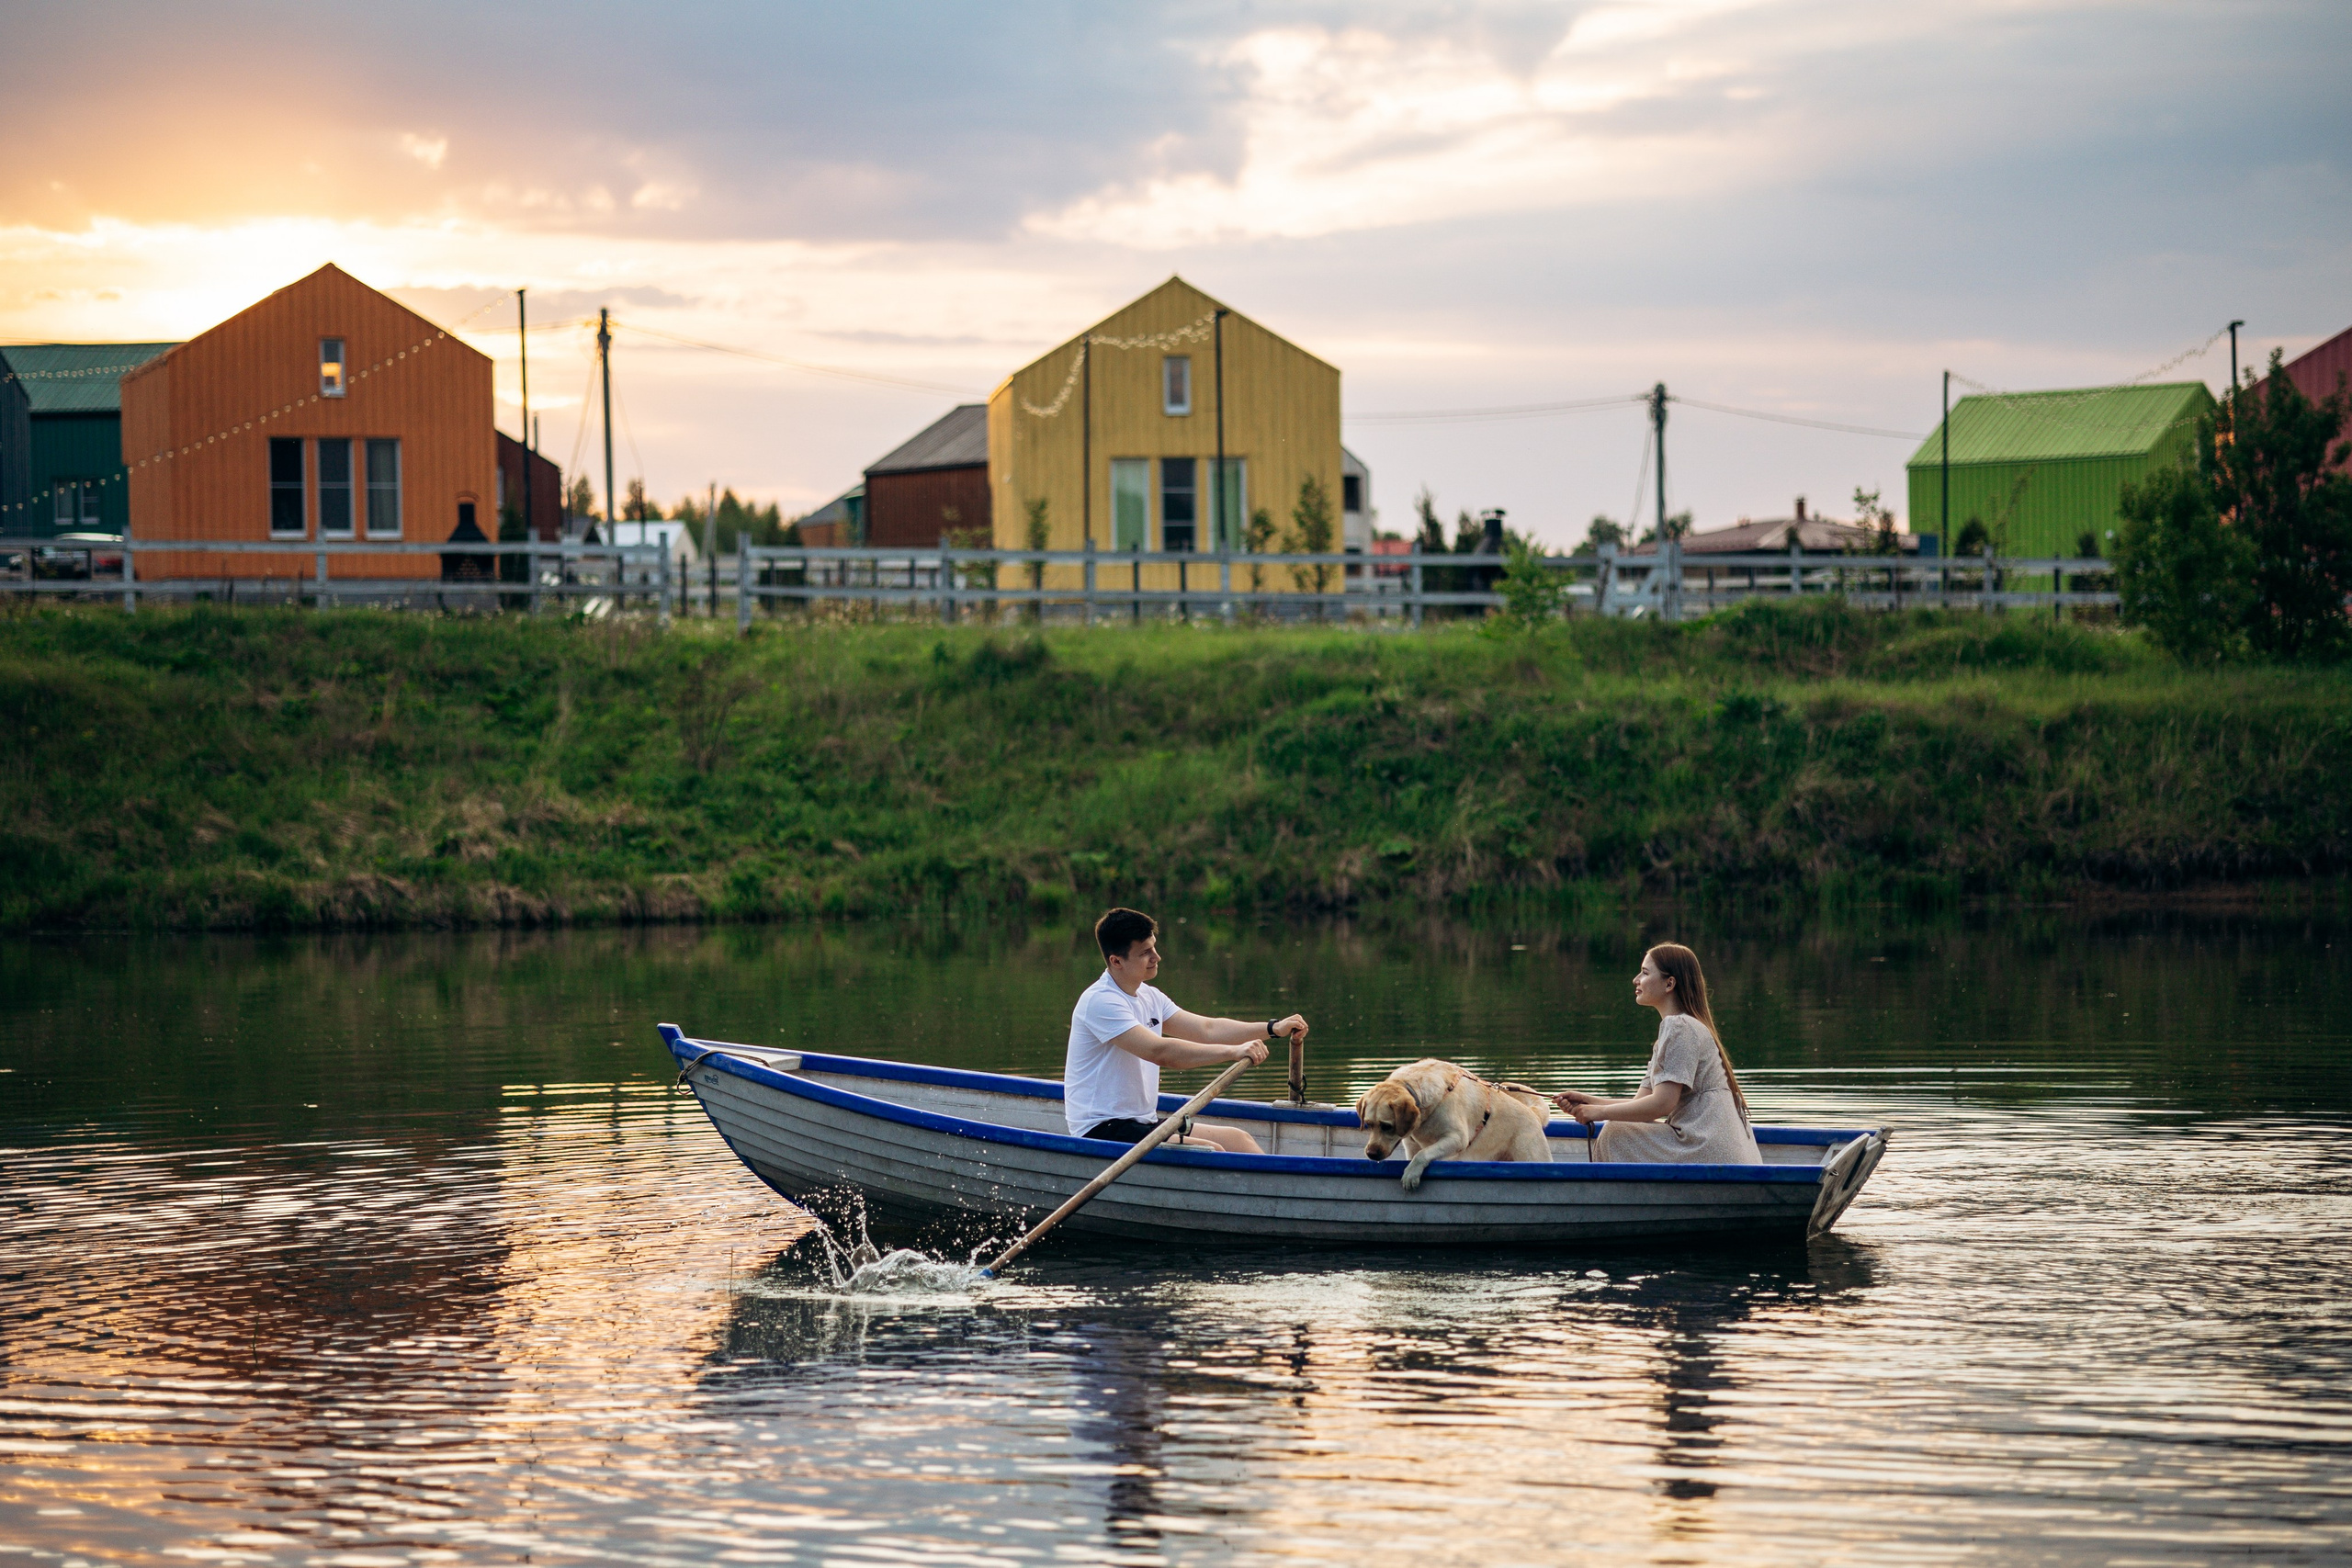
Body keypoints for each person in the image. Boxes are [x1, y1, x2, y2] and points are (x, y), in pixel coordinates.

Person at [1065, 907, 1306, 1152]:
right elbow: (1161, 1053)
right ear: (1116, 961)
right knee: (1211, 1151)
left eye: (1154, 947)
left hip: (1142, 1123)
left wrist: (1272, 1028)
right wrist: (1233, 1052)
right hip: (1101, 1129)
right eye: (1146, 953)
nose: (1156, 957)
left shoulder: (1150, 996)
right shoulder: (1100, 1002)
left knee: (1239, 1140)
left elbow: (1207, 1028)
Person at [1553, 942, 1760, 1164]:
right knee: (1620, 1126)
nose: (1635, 980)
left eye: (1644, 973)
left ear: (1669, 983)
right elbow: (1642, 1105)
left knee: (1615, 1133)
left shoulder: (1679, 1026)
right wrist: (1588, 1102)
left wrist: (1598, 1114)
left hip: (1707, 1148)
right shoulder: (1675, 1032)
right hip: (1715, 1149)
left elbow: (1662, 1104)